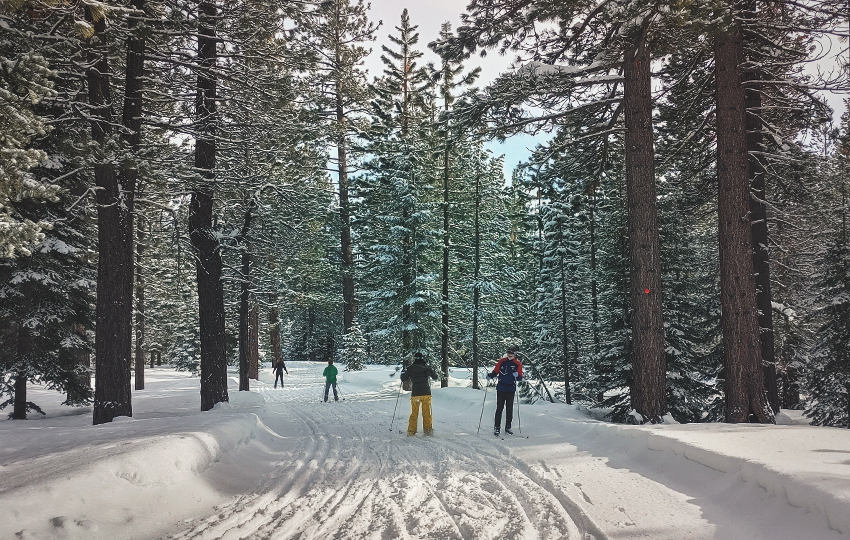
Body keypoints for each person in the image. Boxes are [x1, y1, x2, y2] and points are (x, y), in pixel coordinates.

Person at [487, 345, 523, 436]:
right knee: (499, 408)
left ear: (514, 354)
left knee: (509, 409)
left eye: (511, 353)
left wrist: (517, 376)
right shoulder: (502, 362)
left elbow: (520, 378)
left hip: (511, 389)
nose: (510, 354)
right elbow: (495, 372)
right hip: (501, 388)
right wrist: (490, 376)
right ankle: (497, 428)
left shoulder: (517, 364)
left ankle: (508, 427)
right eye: (508, 353)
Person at [400, 352, 439, 436]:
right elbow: (435, 377)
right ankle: (428, 431)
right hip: (426, 393)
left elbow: (403, 379)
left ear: (414, 359)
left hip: (416, 394)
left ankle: (411, 432)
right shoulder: (426, 368)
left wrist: (403, 373)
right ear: (422, 358)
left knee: (414, 413)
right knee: (427, 413)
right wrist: (431, 370)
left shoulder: (410, 368)